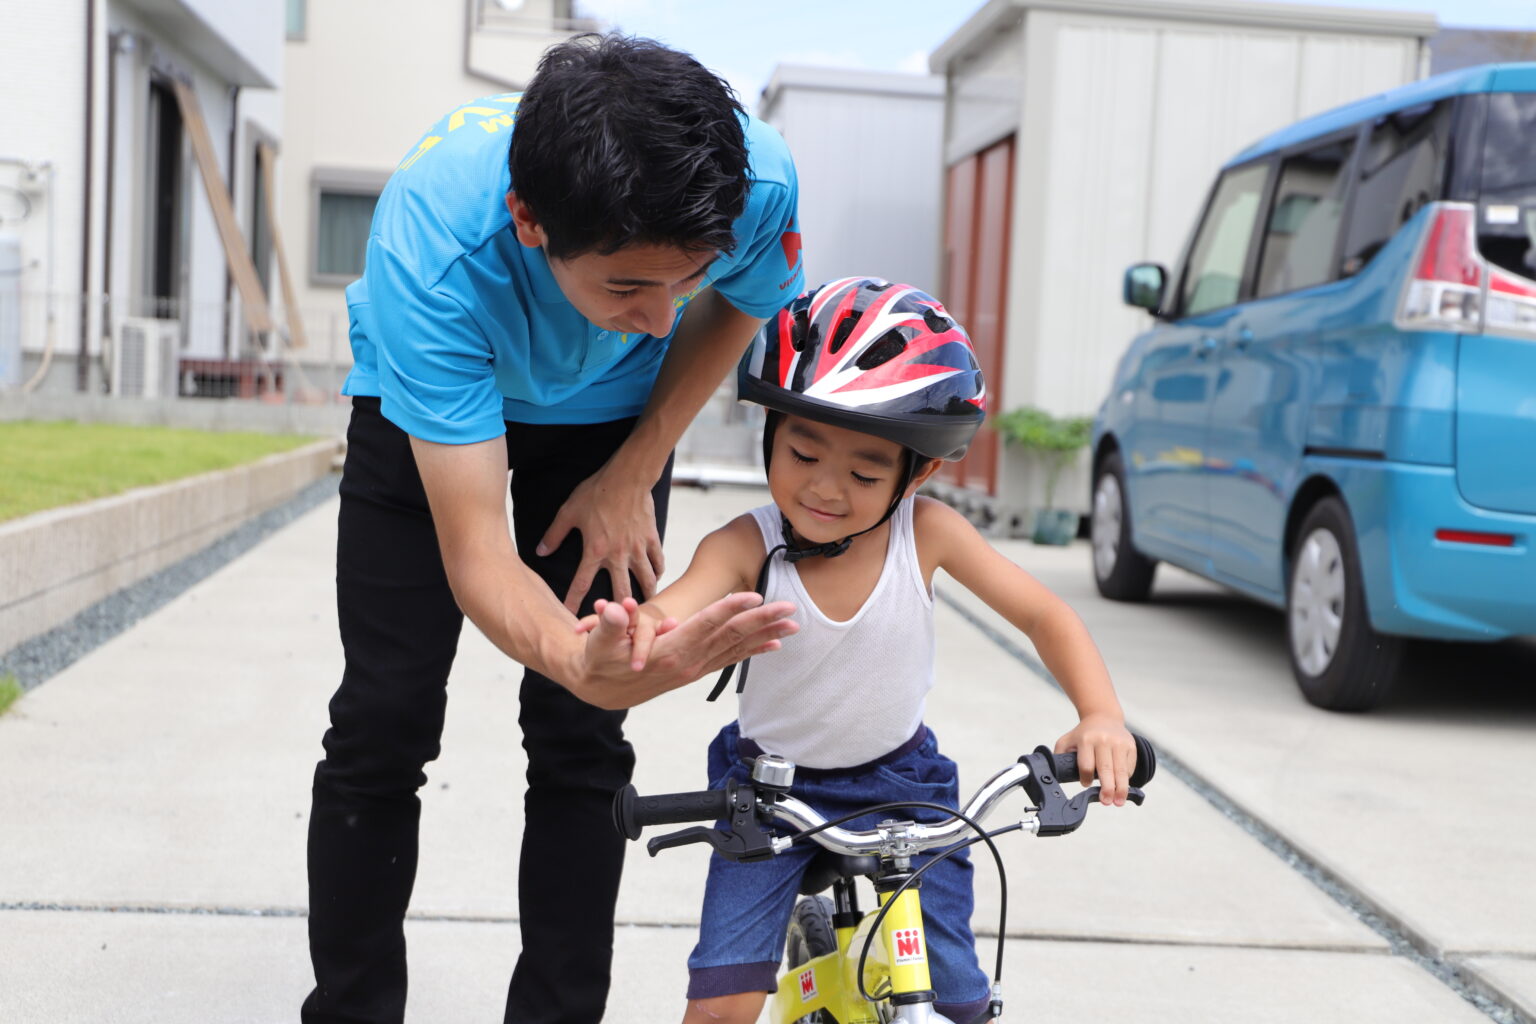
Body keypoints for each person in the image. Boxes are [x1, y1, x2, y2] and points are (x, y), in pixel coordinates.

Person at [303, 34, 804, 1024]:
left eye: (682, 278)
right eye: (628, 285)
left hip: (612, 429)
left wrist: (638, 462)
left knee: (583, 742)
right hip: (431, 412)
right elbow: (479, 551)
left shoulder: (757, 184)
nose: (663, 318)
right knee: (383, 718)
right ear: (530, 223)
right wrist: (574, 654)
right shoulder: (434, 241)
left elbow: (738, 304)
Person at [581, 278, 1138, 1024]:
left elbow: (1043, 614)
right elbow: (677, 608)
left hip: (903, 786)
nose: (824, 489)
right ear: (770, 433)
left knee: (960, 1001)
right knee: (721, 1007)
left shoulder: (927, 534)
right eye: (803, 451)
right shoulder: (749, 543)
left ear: (920, 473)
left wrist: (1099, 713)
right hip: (770, 793)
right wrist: (641, 628)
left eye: (865, 472)